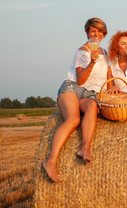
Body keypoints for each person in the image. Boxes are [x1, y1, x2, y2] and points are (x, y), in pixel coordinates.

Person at [43, 18, 109, 183]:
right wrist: (92, 62)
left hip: (89, 95)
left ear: (103, 34)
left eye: (99, 32)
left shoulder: (105, 53)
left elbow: (109, 77)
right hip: (72, 88)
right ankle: (50, 161)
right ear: (87, 32)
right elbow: (80, 80)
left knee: (92, 106)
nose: (96, 35)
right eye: (93, 31)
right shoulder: (82, 51)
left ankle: (84, 149)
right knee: (73, 119)